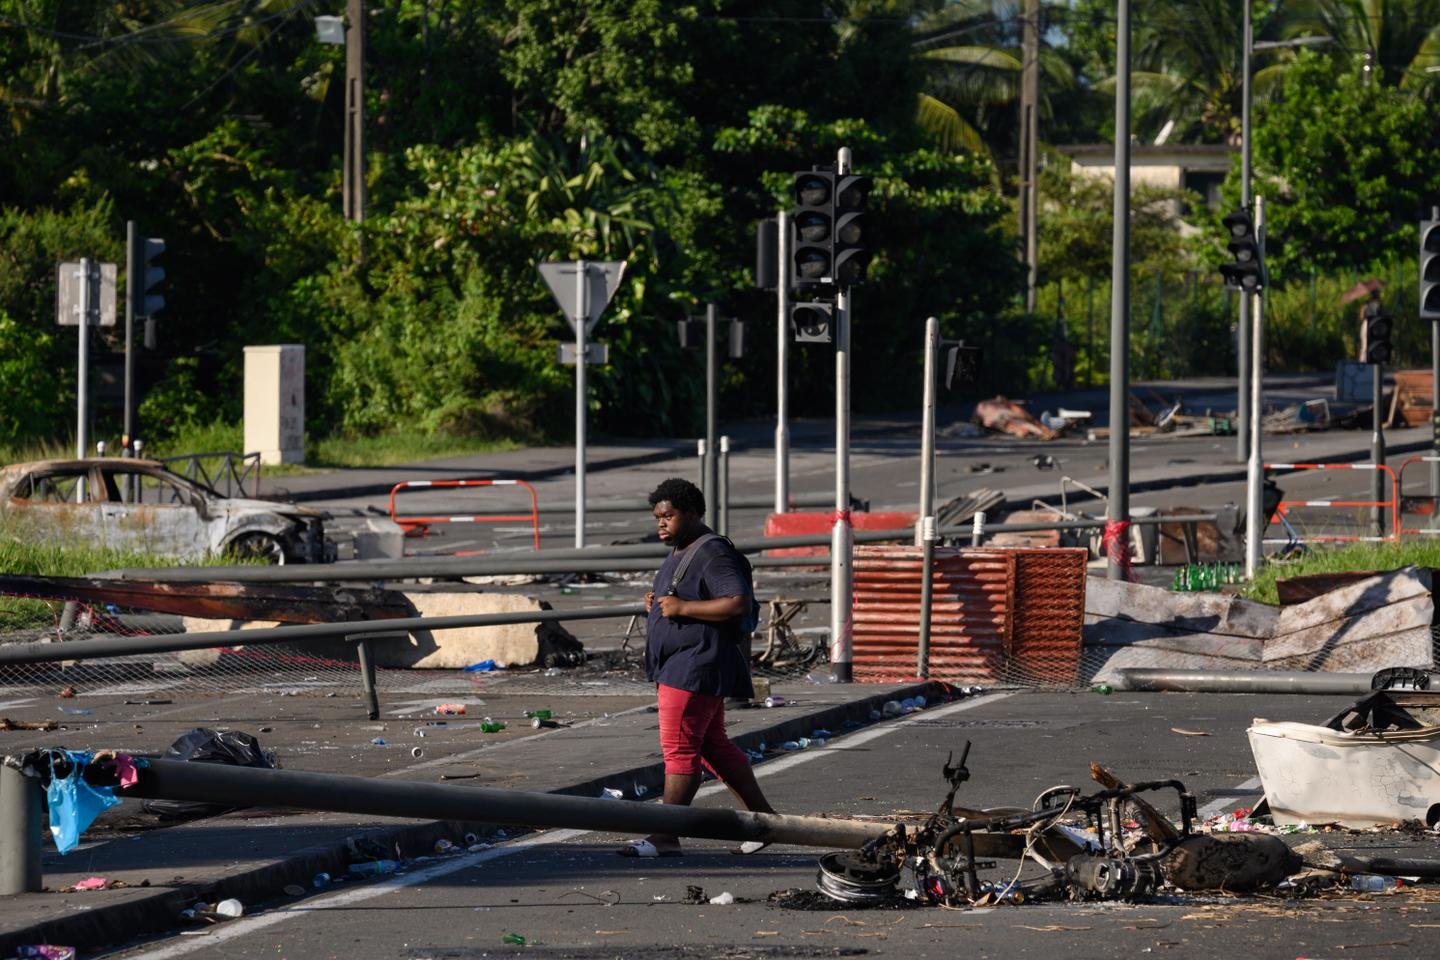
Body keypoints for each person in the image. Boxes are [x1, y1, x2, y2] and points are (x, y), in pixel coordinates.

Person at [617, 477, 777, 858]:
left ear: (691, 513)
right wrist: (658, 603)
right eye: (657, 517)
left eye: (668, 516)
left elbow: (736, 601)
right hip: (684, 664)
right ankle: (765, 822)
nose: (661, 524)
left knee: (679, 749)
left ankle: (665, 836)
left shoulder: (712, 552)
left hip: (694, 666)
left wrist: (682, 608)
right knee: (712, 746)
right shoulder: (682, 549)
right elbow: (685, 596)